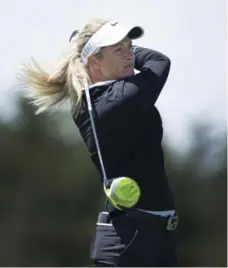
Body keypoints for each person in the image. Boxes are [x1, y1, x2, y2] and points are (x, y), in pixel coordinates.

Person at [18, 18, 179, 267]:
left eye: (130, 46)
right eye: (119, 50)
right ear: (94, 62)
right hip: (132, 238)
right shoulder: (121, 99)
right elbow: (159, 62)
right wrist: (124, 51)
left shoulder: (92, 100)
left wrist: (100, 49)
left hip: (146, 233)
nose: (128, 55)